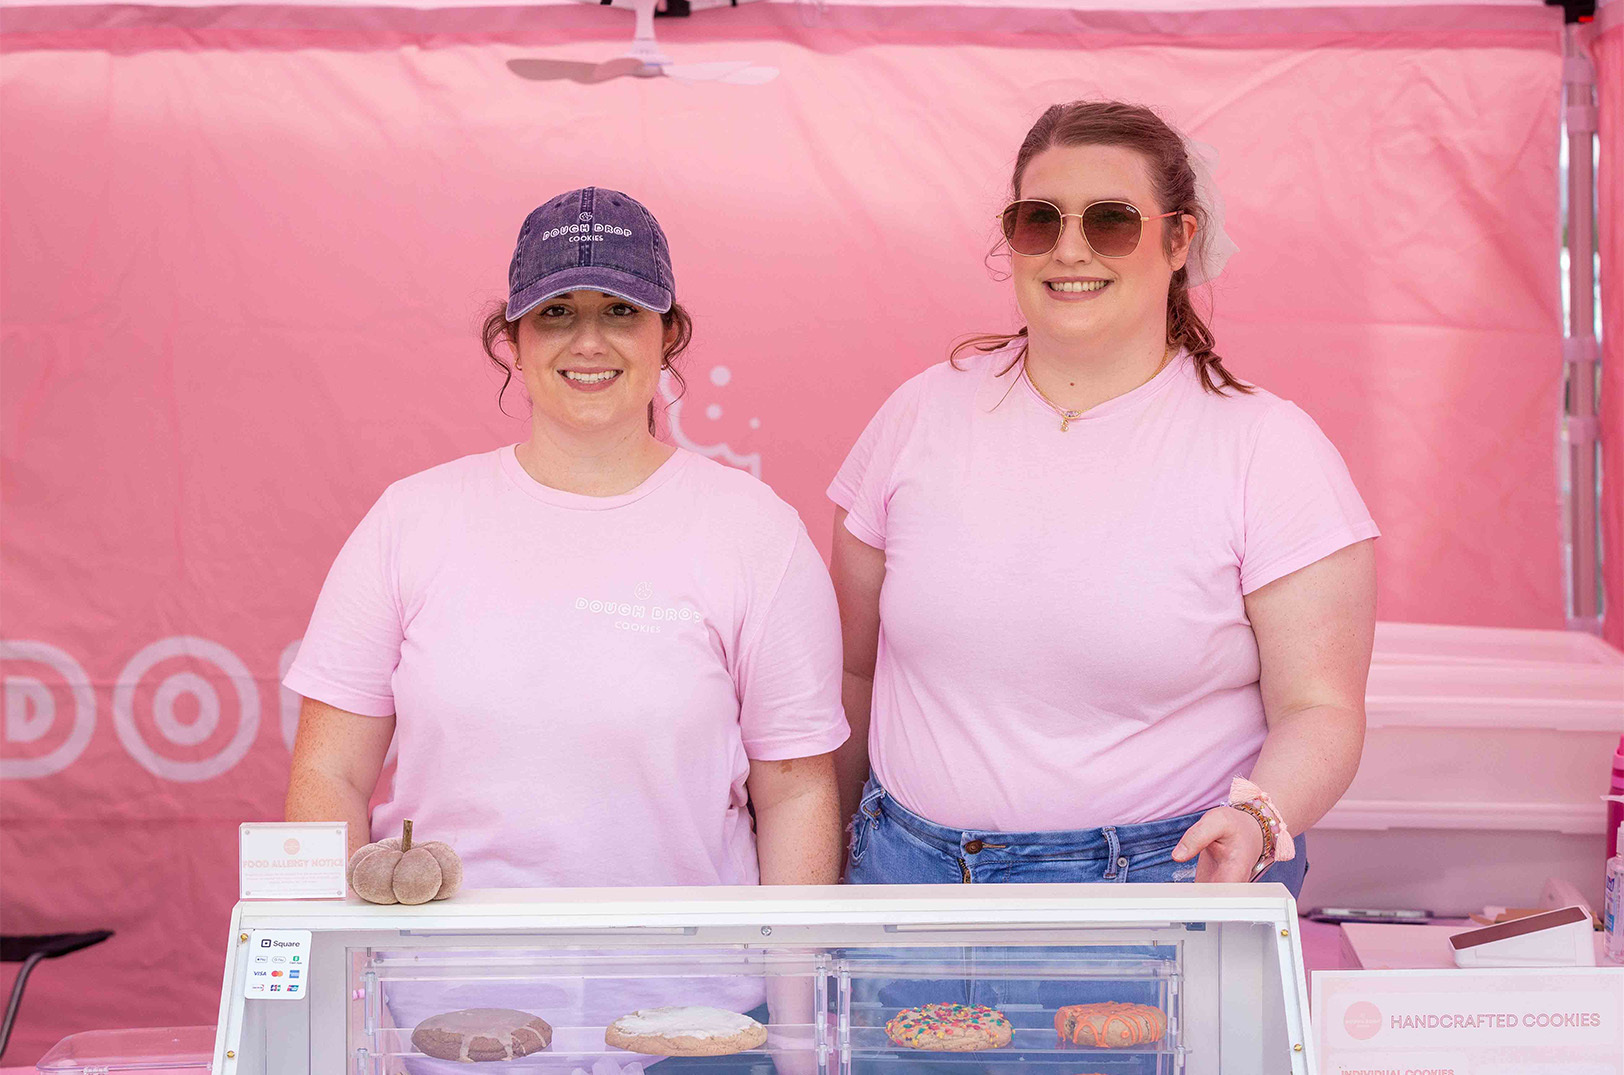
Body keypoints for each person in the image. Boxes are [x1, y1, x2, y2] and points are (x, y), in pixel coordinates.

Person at [828, 102, 1377, 1065]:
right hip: (903, 889)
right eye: (1039, 219)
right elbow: (855, 676)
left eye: (1110, 219)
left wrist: (1256, 816)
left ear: (1179, 239)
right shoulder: (918, 415)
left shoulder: (1267, 448)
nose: (1069, 247)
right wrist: (825, 869)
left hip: (1157, 907)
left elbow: (1322, 709)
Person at [284, 187, 846, 1072]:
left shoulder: (751, 530)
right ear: (511, 338)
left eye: (622, 310)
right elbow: (327, 772)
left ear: (671, 335)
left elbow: (796, 792)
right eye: (556, 313)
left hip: (696, 1026)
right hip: (456, 1020)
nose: (590, 341)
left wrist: (801, 1038)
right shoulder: (412, 520)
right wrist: (362, 1025)